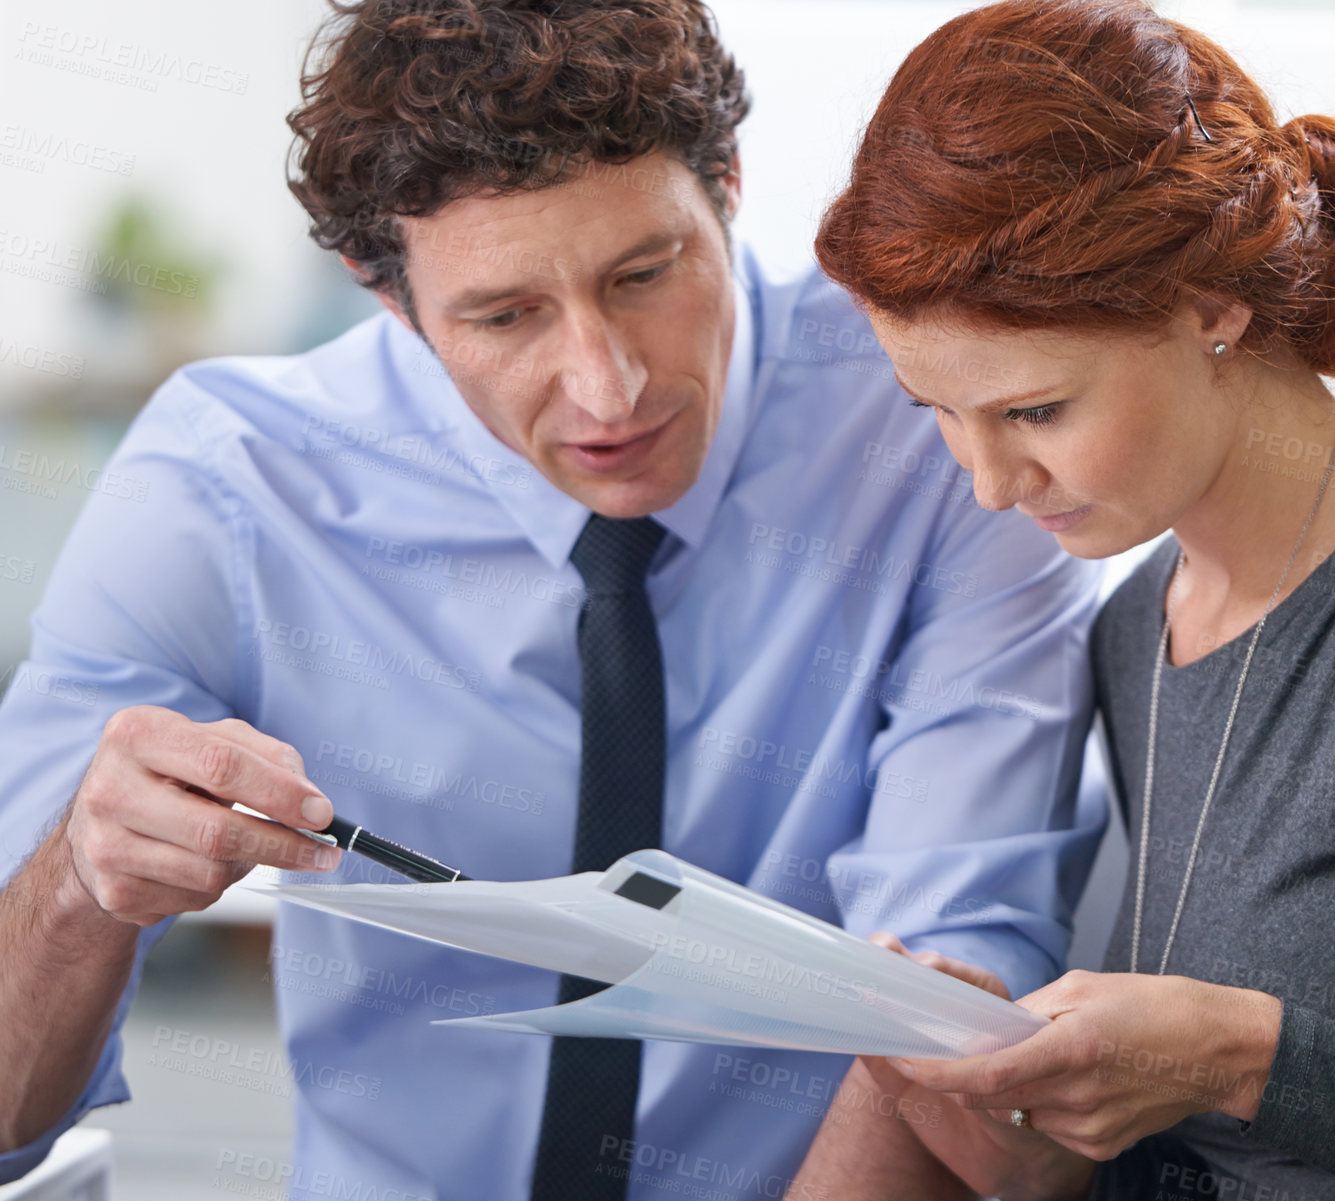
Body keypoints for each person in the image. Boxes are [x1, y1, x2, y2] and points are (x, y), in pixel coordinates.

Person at [0, 2, 1107, 1197]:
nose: (607, 385)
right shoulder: (231, 482)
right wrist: (77, 885)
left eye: (645, 273)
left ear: (729, 188)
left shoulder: (934, 422)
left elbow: (945, 1005)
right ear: (387, 295)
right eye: (504, 315)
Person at [786, 2, 1335, 1198]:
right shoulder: (1137, 626)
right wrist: (1002, 1097)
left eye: (1034, 411)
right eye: (938, 412)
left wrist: (1252, 1058)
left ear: (1212, 305)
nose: (987, 486)